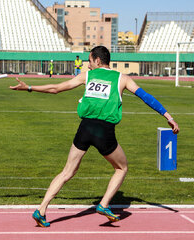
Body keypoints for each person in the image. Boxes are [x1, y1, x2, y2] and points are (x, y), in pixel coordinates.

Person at [10, 46, 179, 227]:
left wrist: (29, 87)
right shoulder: (122, 79)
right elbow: (147, 97)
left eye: (89, 61)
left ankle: (41, 209)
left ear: (97, 60)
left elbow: (56, 88)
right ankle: (104, 204)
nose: (87, 64)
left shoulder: (87, 76)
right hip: (104, 131)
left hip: (84, 129)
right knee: (122, 168)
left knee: (67, 171)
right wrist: (168, 117)